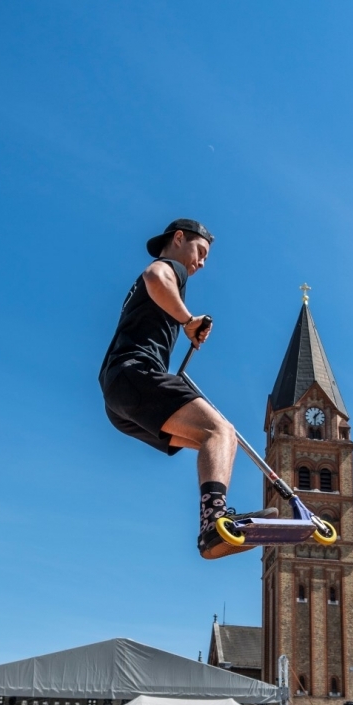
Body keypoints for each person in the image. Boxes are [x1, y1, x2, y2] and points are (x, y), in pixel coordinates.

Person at [99, 219, 264, 560]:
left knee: (220, 440)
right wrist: (188, 321)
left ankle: (213, 527)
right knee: (219, 430)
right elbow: (155, 276)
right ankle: (213, 523)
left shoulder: (161, 285)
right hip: (133, 374)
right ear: (178, 239)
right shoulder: (172, 267)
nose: (201, 263)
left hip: (120, 398)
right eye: (200, 252)